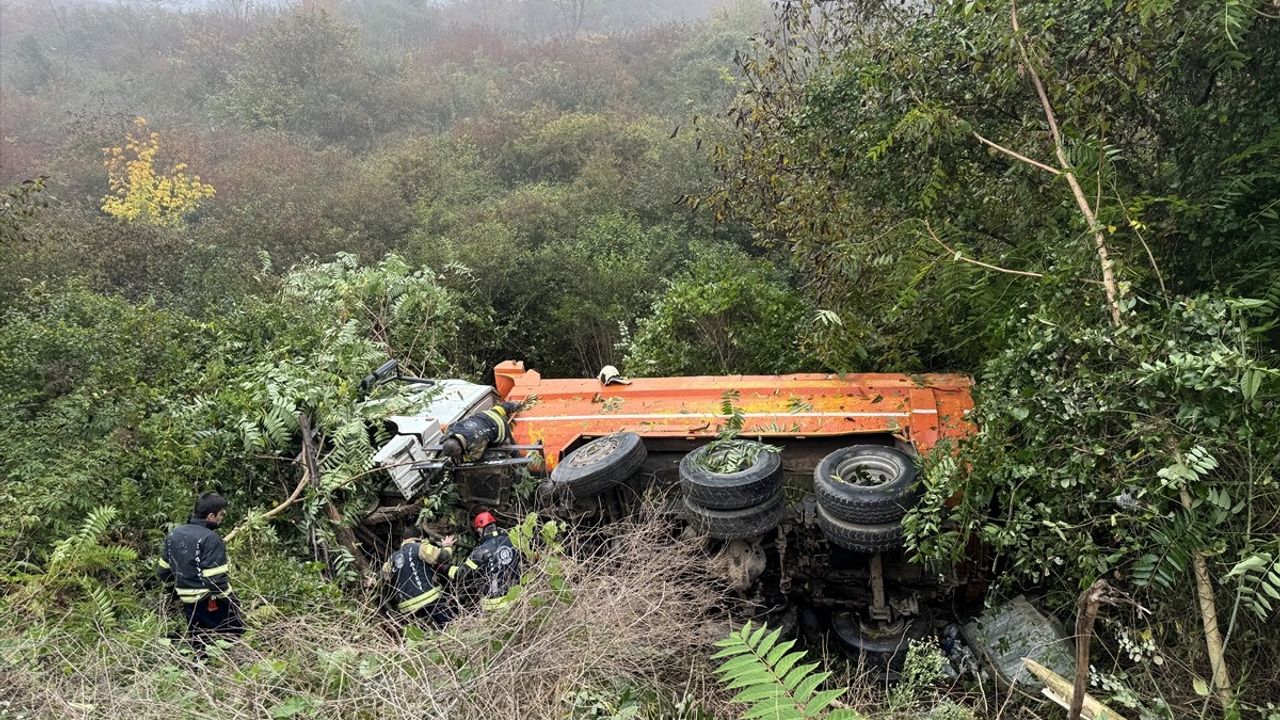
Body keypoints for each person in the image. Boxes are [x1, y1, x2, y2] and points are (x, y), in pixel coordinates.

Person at [157, 492, 244, 642]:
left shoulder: (174, 534)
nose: (222, 518)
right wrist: (232, 600)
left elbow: (163, 571)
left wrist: (175, 593)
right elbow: (215, 580)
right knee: (236, 636)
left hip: (188, 602)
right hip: (210, 601)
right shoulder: (211, 539)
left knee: (200, 642)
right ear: (211, 516)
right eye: (221, 515)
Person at [381, 534, 457, 626]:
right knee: (450, 624)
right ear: (420, 538)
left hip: (406, 607)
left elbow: (384, 578)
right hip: (428, 597)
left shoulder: (391, 559)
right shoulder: (420, 547)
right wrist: (447, 546)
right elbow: (443, 557)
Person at [456, 511, 522, 612]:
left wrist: (443, 566)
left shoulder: (480, 552)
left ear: (480, 530)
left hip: (494, 606)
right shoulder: (512, 540)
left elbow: (462, 574)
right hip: (517, 598)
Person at [439, 400, 521, 467]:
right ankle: (513, 404)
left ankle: (521, 464)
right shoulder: (452, 428)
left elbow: (475, 457)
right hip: (485, 414)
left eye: (454, 455)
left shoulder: (476, 441)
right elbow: (447, 430)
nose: (453, 457)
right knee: (499, 409)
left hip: (500, 426)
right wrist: (444, 438)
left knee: (511, 449)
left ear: (459, 449)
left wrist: (461, 459)